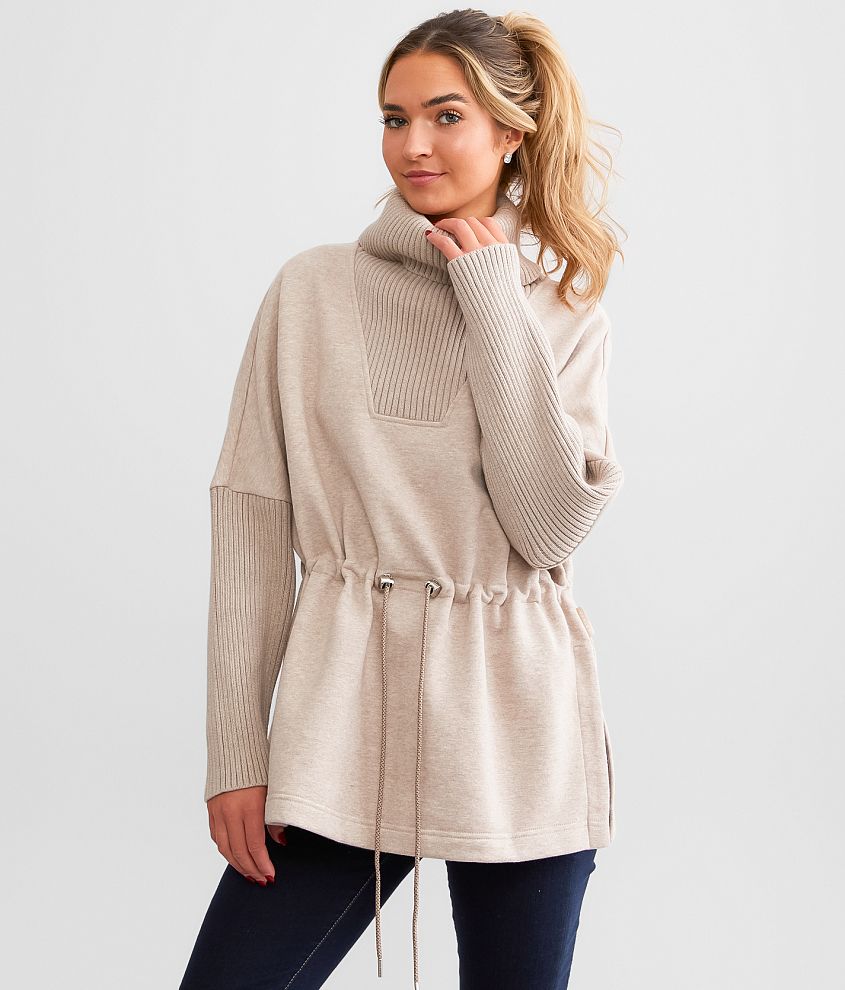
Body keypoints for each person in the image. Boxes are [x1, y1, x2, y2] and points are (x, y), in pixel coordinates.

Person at [180, 8, 625, 989]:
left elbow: (547, 527)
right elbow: (251, 515)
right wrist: (234, 752)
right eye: (393, 118)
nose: (412, 143)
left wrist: (492, 295)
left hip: (517, 723)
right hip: (339, 721)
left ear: (510, 132)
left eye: (444, 115)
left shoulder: (561, 309)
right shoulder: (310, 291)